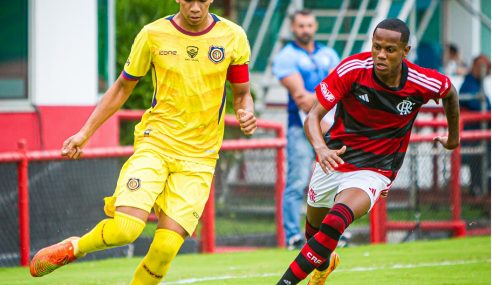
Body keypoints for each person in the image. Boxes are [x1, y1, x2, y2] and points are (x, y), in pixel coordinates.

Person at [29, 1, 257, 284]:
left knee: (165, 249)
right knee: (125, 228)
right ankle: (75, 248)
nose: (195, 6)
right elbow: (123, 86)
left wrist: (246, 111)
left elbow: (242, 92)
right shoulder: (153, 34)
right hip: (156, 145)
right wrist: (84, 133)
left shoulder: (233, 36)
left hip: (200, 158)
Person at [276, 18, 460, 285]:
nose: (380, 55)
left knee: (337, 220)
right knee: (315, 236)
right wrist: (321, 148)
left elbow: (450, 93)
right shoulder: (353, 69)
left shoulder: (421, 81)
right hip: (335, 159)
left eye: (389, 49)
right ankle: (325, 265)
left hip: (375, 170)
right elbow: (313, 116)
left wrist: (453, 138)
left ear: (405, 51)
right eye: (376, 47)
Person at [272, 9, 340, 250]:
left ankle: (331, 233)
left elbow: (339, 90)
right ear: (293, 28)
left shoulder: (329, 53)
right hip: (299, 127)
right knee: (297, 181)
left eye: (309, 25)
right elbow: (301, 98)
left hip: (330, 126)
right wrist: (326, 95)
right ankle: (293, 235)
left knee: (334, 178)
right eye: (301, 26)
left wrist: (322, 97)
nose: (306, 30)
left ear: (316, 25)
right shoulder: (286, 55)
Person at [459, 54, 491, 196]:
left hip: (480, 137)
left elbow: (487, 108)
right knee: (481, 154)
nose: (483, 70)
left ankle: (484, 187)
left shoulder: (479, 84)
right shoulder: (469, 84)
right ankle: (479, 189)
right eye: (480, 67)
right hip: (469, 139)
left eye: (485, 67)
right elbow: (477, 105)